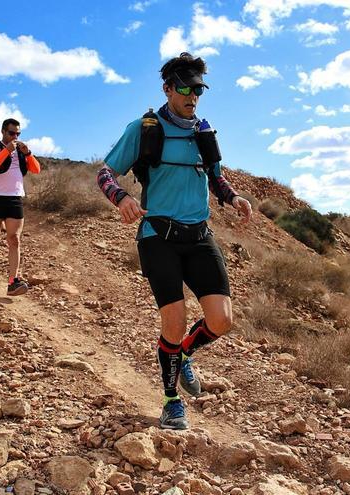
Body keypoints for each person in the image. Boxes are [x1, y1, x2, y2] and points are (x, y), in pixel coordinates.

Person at [96, 52, 252, 430]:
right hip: (157, 236)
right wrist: (123, 198)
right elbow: (104, 172)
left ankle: (183, 356)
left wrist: (233, 198)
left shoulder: (204, 132)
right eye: (184, 87)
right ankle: (170, 401)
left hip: (199, 236)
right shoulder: (145, 128)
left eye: (197, 89)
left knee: (222, 319)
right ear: (167, 89)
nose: (192, 95)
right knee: (175, 320)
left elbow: (216, 177)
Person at [0, 118, 41, 296]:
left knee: (14, 239)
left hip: (15, 198)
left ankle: (13, 281)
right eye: (12, 133)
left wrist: (28, 154)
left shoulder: (20, 151)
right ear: (3, 131)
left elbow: (36, 170)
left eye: (18, 134)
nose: (15, 137)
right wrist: (7, 151)